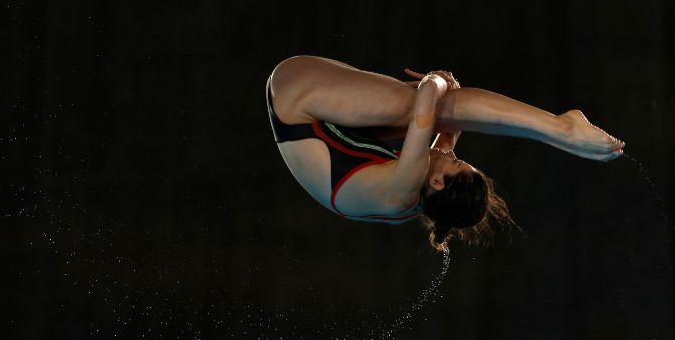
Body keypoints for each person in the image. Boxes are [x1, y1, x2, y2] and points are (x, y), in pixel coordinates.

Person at [266, 55, 625, 251]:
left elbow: (426, 94)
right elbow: (449, 132)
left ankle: (562, 128)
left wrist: (440, 79)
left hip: (293, 97)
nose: (448, 153)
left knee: (422, 105)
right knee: (441, 112)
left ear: (438, 181)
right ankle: (556, 129)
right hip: (322, 120)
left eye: (454, 162)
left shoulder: (401, 188)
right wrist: (442, 106)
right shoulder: (419, 193)